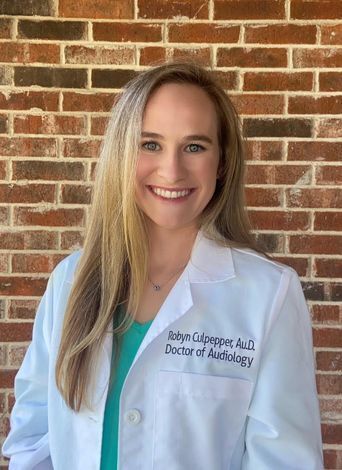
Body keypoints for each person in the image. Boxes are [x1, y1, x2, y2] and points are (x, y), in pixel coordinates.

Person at [2, 60, 323, 469]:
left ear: (221, 162)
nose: (172, 171)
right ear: (122, 152)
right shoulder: (70, 281)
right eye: (150, 144)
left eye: (195, 146)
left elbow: (285, 461)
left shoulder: (268, 295)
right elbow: (34, 438)